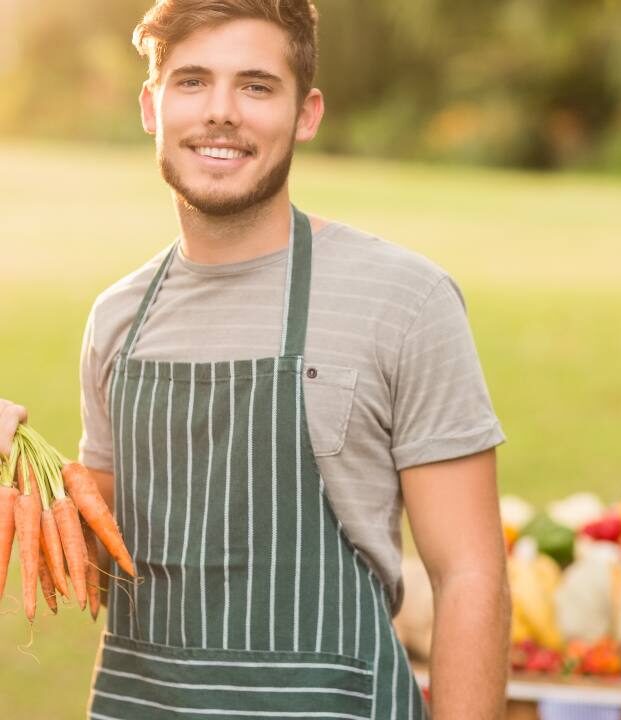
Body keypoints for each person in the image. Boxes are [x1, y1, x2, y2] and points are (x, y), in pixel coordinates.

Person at [2, 0, 510, 717]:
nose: (220, 112)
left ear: (306, 113)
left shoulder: (405, 300)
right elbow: (102, 559)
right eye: (192, 82)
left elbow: (469, 575)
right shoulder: (118, 319)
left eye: (256, 85)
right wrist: (19, 481)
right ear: (152, 106)